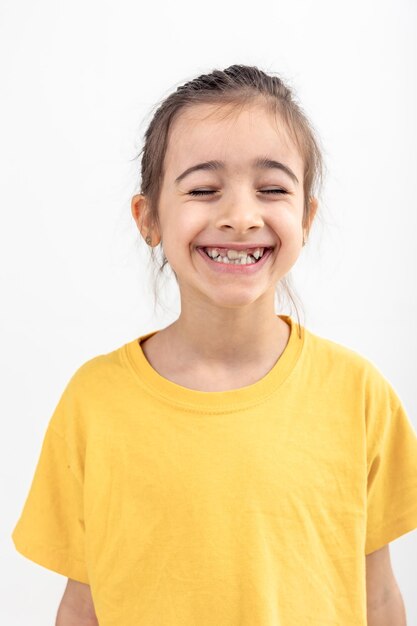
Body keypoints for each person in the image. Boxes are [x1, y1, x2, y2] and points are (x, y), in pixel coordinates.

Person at [11, 64, 416, 626]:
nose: (240, 217)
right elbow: (83, 606)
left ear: (307, 217)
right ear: (148, 216)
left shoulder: (359, 394)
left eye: (272, 188)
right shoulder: (93, 401)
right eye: (204, 189)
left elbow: (378, 598)